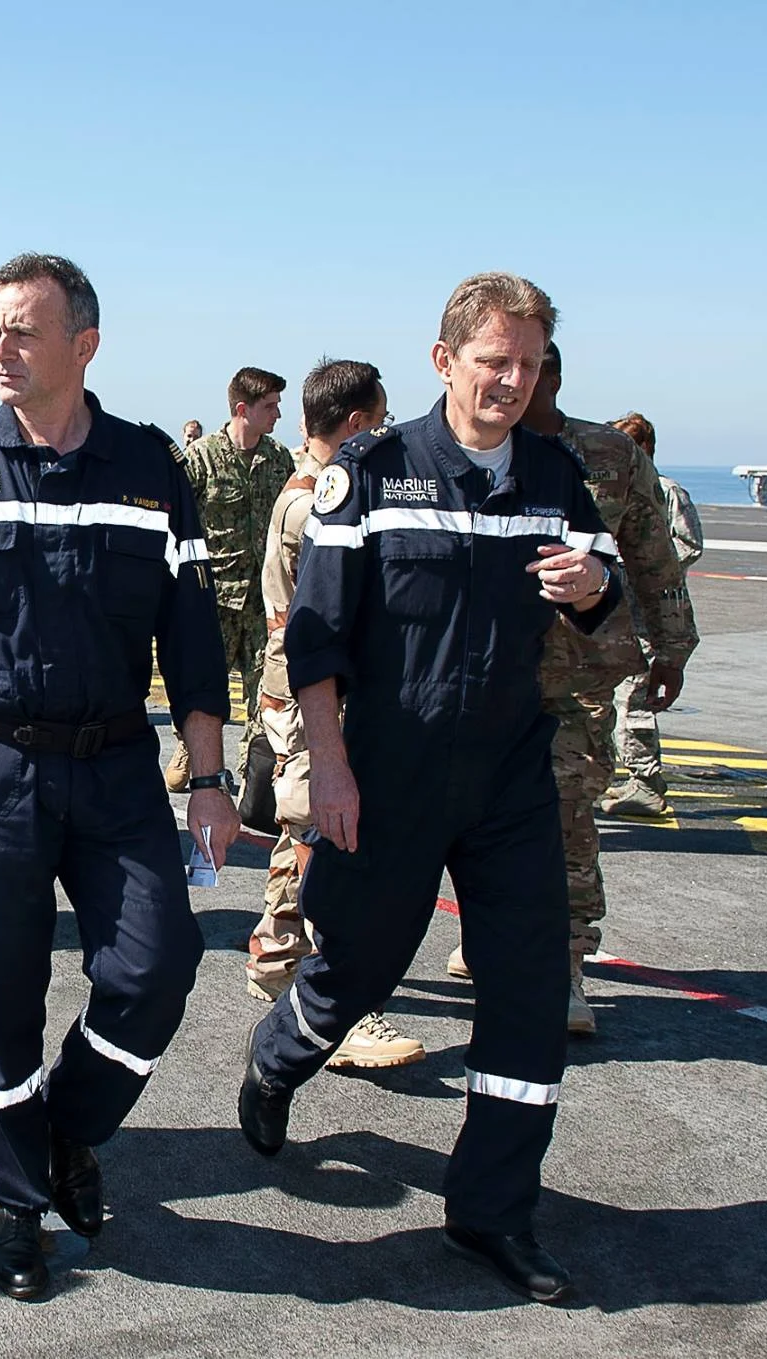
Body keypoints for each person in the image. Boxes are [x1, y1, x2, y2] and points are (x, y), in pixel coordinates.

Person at [239, 273, 619, 1306]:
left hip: (507, 776)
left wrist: (593, 587)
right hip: (387, 772)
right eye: (492, 359)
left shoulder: (553, 475)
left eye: (527, 363)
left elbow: (603, 580)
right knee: (352, 973)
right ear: (443, 358)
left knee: (530, 993)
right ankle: (279, 1056)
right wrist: (328, 770)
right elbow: (312, 638)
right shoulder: (368, 471)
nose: (509, 380)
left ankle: (490, 1211)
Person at [0, 254, 236, 1301]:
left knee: (155, 964)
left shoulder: (150, 465)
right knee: (2, 999)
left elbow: (193, 637)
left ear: (83, 344)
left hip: (117, 764)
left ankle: (67, 1130)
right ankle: (17, 1203)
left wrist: (207, 778)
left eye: (22, 332)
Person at [506, 347, 696, 1035]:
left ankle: (565, 970)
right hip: (486, 677)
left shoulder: (609, 455)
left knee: (566, 818)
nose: (518, 385)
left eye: (532, 371)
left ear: (554, 376)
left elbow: (652, 552)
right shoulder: (477, 451)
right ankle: (491, 937)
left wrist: (672, 645)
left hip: (580, 678)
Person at [246, 358, 424, 1069]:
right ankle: (340, 1003)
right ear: (356, 425)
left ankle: (276, 952)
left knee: (303, 825)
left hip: (305, 686)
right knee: (326, 831)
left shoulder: (307, 486)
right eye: (379, 422)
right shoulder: (320, 496)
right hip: (308, 692)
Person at [164, 368, 295, 794]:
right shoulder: (201, 458)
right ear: (243, 410)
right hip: (213, 597)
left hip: (263, 601)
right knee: (204, 688)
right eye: (269, 406)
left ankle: (255, 777)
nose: (278, 414)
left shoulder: (279, 459)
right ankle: (193, 752)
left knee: (267, 693)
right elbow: (177, 523)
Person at [600, 412, 702, 818]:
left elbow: (687, 545)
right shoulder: (612, 487)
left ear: (645, 449)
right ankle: (617, 773)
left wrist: (641, 563)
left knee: (635, 700)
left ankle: (646, 781)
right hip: (609, 611)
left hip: (643, 615)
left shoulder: (666, 491)